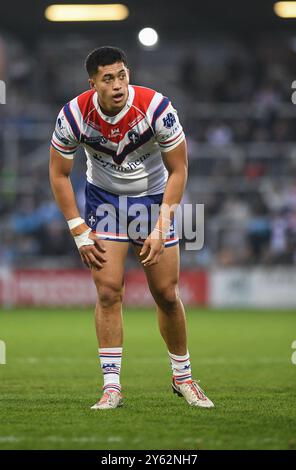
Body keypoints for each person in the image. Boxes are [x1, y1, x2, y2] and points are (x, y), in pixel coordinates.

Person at [49, 46, 214, 410]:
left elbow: (180, 170)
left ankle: (183, 378)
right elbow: (59, 175)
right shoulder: (74, 115)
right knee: (108, 292)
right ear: (92, 83)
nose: (119, 84)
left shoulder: (156, 108)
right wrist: (77, 228)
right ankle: (112, 387)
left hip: (154, 201)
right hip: (105, 202)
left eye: (122, 75)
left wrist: (162, 224)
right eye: (108, 78)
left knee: (166, 294)